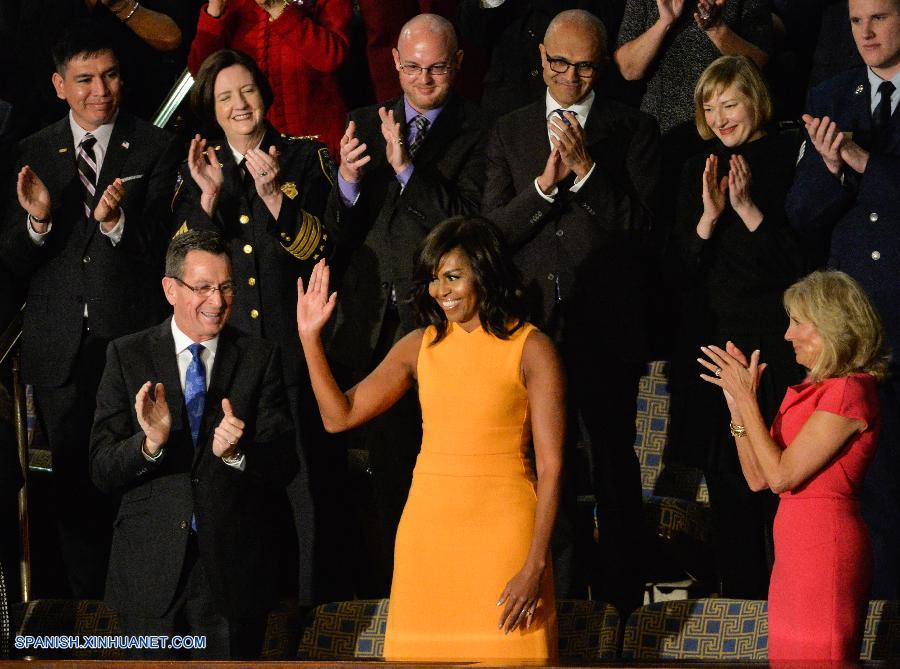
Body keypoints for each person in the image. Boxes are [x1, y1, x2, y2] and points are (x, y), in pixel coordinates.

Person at [297, 216, 563, 660]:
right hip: (428, 535)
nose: (441, 291)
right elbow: (338, 418)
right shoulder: (419, 344)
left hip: (504, 533)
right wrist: (310, 339)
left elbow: (553, 466)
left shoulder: (532, 348)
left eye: (453, 277)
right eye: (434, 280)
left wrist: (535, 563)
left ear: (486, 271)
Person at [483, 8, 658, 612]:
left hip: (607, 329)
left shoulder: (633, 130)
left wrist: (586, 174)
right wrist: (541, 188)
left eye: (585, 67)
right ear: (540, 60)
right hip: (531, 329)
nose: (571, 78)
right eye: (560, 64)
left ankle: (622, 605)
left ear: (601, 67)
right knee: (537, 464)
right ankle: (556, 590)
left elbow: (641, 231)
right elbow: (490, 233)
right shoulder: (508, 131)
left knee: (611, 460)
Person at [0, 21, 180, 598]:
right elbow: (11, 260)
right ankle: (87, 621)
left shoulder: (153, 145)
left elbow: (161, 249)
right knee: (74, 491)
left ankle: (139, 611)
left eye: (109, 75)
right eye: (84, 80)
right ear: (59, 85)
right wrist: (38, 222)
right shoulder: (29, 153)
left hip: (130, 341)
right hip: (57, 350)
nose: (99, 90)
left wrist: (117, 224)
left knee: (136, 477)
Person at [326, 12, 487, 595]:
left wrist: (405, 169)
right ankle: (403, 599)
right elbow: (333, 235)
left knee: (447, 474)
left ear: (458, 63)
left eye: (437, 67)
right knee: (388, 480)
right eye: (412, 67)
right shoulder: (364, 121)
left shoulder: (482, 128)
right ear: (394, 64)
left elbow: (467, 225)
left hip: (445, 327)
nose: (423, 79)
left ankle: (454, 594)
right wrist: (344, 182)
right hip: (373, 328)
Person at [171, 47, 332, 605]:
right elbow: (180, 268)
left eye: (247, 91)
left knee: (305, 488)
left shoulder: (305, 159)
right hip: (228, 361)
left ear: (264, 95)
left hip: (293, 355)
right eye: (224, 98)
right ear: (210, 111)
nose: (239, 105)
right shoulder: (197, 172)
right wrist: (209, 199)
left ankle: (308, 613)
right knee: (232, 490)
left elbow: (320, 251)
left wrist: (274, 200)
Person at [90, 230, 297, 659]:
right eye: (202, 287)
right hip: (149, 574)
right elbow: (101, 468)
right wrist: (150, 443)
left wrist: (239, 454)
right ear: (170, 289)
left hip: (231, 576)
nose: (217, 301)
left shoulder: (260, 358)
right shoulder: (127, 356)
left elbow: (283, 464)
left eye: (225, 287)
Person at [668, 55, 806, 597]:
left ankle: (792, 599)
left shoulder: (790, 157)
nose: (719, 116)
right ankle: (743, 604)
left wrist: (748, 209)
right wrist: (706, 217)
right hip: (714, 348)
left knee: (778, 474)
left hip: (775, 347)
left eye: (730, 103)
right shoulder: (693, 168)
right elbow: (677, 270)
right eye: (709, 105)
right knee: (727, 480)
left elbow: (800, 271)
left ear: (755, 100)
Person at [699, 270, 887, 660]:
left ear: (832, 327)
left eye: (797, 322)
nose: (787, 335)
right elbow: (757, 479)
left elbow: (783, 474)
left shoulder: (849, 391)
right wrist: (737, 406)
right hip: (793, 549)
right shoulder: (808, 392)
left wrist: (749, 401)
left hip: (825, 546)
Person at [785, 0, 900, 600]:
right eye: (856, 22)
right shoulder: (831, 96)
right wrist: (830, 169)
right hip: (856, 330)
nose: (866, 33)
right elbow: (801, 217)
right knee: (869, 483)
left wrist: (859, 160)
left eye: (879, 18)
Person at [188, 0, 352, 158]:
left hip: (318, 144)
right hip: (253, 148)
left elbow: (330, 57)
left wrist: (277, 6)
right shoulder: (233, 4)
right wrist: (214, 12)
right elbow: (202, 74)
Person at [10, 0, 186, 134]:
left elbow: (172, 39)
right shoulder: (41, 11)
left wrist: (120, 5)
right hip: (60, 126)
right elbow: (29, 75)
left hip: (145, 118)